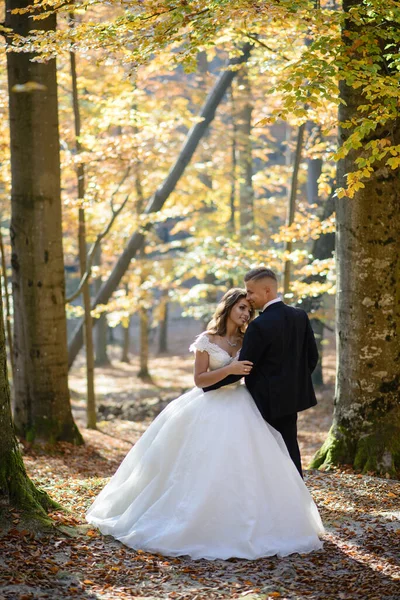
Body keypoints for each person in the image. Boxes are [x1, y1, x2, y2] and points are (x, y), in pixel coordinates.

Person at [86, 288, 324, 560]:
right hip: (207, 406)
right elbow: (200, 380)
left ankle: (245, 520)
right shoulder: (207, 340)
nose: (246, 313)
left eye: (249, 309)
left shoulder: (249, 338)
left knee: (247, 464)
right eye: (241, 308)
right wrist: (229, 370)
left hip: (243, 404)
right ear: (229, 307)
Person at [203, 267, 319, 478]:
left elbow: (244, 368)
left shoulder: (259, 326)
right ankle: (296, 495)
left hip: (263, 401)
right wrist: (293, 382)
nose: (248, 297)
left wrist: (208, 385)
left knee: (267, 452)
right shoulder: (300, 316)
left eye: (250, 292)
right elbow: (312, 358)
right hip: (292, 398)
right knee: (289, 446)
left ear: (267, 291)